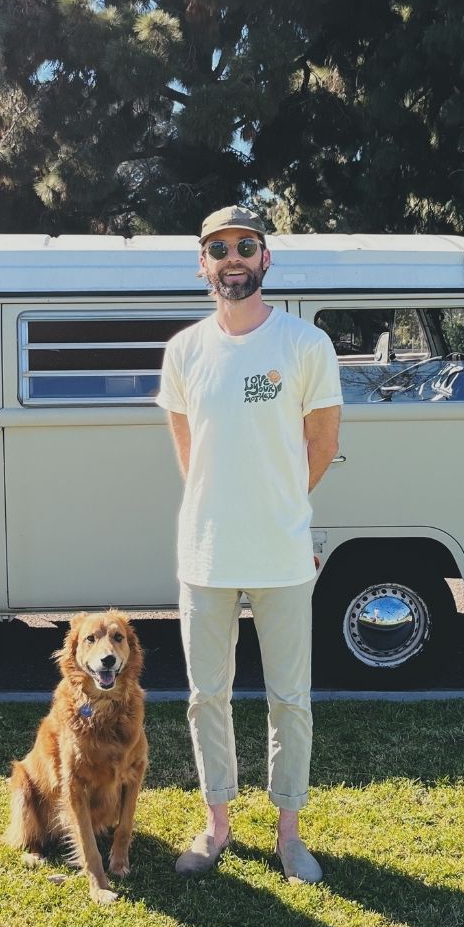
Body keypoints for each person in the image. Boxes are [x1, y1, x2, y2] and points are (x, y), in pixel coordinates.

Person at [155, 205, 342, 883]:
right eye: (219, 248)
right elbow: (188, 450)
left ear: (266, 259)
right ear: (201, 263)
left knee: (290, 698)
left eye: (245, 246)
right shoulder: (184, 351)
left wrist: (281, 504)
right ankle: (217, 827)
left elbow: (321, 446)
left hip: (284, 555)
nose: (232, 258)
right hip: (204, 554)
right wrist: (223, 508)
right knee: (209, 696)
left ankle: (290, 834)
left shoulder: (304, 347)